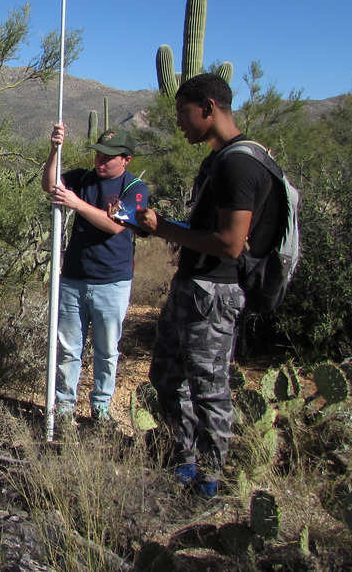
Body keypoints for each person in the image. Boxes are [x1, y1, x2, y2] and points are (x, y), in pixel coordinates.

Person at [116, 73, 280, 498]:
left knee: (209, 388)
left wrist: (164, 228)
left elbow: (229, 243)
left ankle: (213, 477)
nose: (179, 124)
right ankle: (183, 458)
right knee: (167, 377)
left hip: (214, 292)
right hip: (192, 285)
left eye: (183, 114)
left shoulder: (239, 164)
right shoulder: (219, 160)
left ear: (208, 107)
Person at [43, 123, 149, 423]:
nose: (100, 161)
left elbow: (117, 224)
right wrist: (54, 149)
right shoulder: (83, 178)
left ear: (126, 159)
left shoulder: (135, 188)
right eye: (98, 154)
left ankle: (101, 407)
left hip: (112, 283)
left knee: (106, 350)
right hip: (74, 279)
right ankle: (64, 407)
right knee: (68, 348)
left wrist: (77, 204)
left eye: (108, 157)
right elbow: (51, 185)